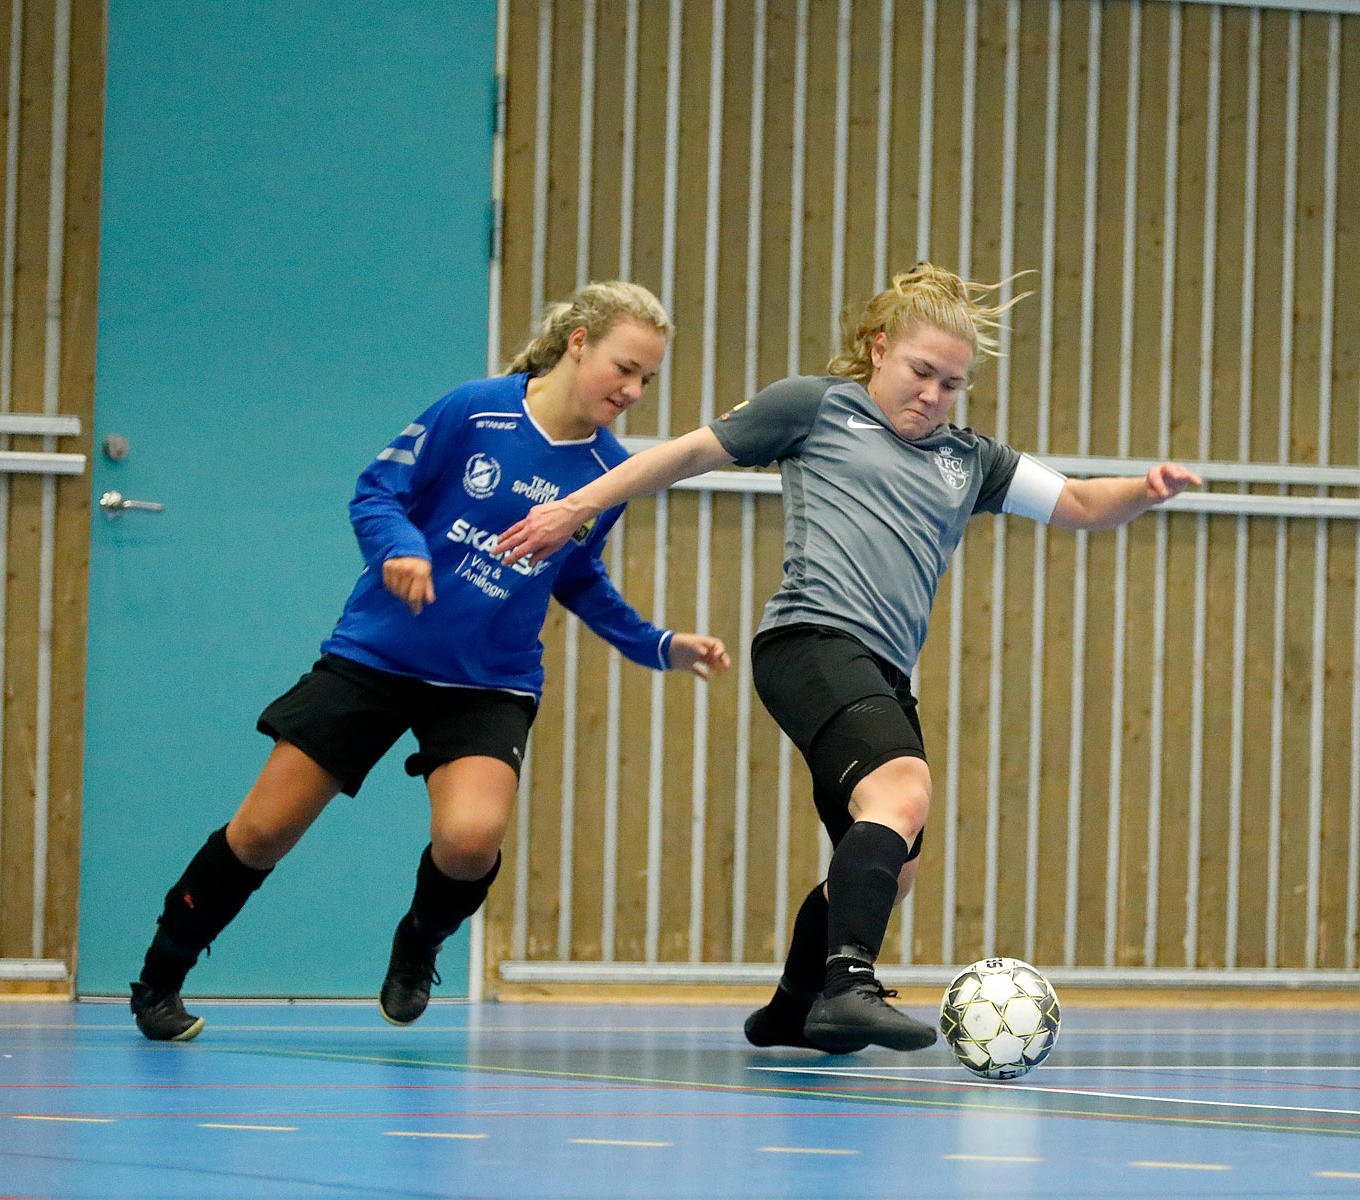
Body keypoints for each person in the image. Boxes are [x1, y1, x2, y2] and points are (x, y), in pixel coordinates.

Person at [495, 263, 1200, 1052]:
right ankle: (850, 986)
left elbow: (1074, 503)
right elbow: (687, 455)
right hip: (810, 640)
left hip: (884, 671)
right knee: (903, 790)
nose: (933, 396)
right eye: (921, 372)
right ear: (877, 349)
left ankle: (792, 1010)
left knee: (889, 862)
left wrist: (1144, 486)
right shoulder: (815, 407)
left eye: (953, 385)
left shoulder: (970, 459)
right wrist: (577, 506)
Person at [127, 281, 731, 1042]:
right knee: (260, 834)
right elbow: (378, 493)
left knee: (471, 842)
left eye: (648, 379)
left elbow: (578, 579)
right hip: (377, 657)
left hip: (489, 680)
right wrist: (404, 550)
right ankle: (159, 979)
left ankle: (419, 942)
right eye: (625, 367)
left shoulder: (608, 474)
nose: (634, 390)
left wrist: (660, 644)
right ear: (578, 343)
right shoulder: (473, 410)